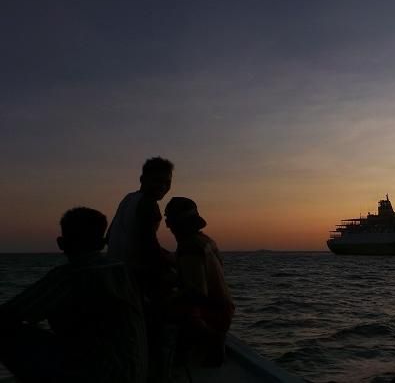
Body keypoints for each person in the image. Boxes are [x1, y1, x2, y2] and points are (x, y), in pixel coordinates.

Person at [0, 207, 147, 382]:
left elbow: (11, 312)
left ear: (61, 243)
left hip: (96, 373)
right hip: (134, 372)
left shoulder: (70, 275)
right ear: (102, 243)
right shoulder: (124, 271)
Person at [107, 156, 176, 381]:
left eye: (166, 183)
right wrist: (175, 261)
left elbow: (110, 237)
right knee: (163, 327)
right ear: (142, 179)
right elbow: (148, 246)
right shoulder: (148, 205)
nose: (162, 187)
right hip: (135, 277)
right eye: (157, 181)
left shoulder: (128, 199)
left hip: (116, 274)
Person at [164, 197, 235, 367]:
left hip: (211, 317)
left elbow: (197, 293)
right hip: (225, 309)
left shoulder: (189, 248)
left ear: (171, 224)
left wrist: (169, 299)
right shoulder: (206, 241)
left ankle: (212, 340)